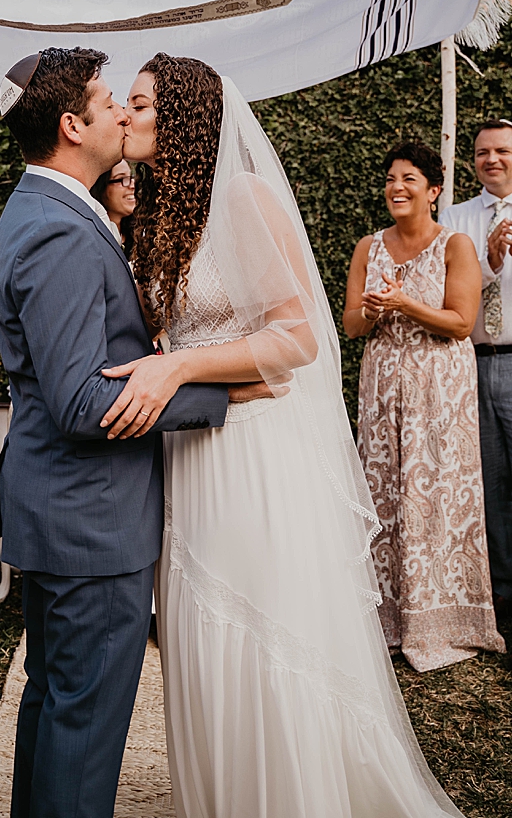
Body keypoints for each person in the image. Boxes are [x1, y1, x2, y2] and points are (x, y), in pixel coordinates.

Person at [108, 52, 465, 816]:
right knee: (200, 637)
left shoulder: (242, 195)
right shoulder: (163, 210)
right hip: (191, 450)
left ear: (184, 116)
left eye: (139, 103)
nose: (126, 115)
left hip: (252, 452)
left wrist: (176, 370)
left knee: (258, 629)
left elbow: (297, 339)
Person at [0, 48, 230, 817]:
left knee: (57, 704)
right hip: (90, 520)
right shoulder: (59, 229)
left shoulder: (55, 210)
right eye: (107, 100)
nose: (123, 110)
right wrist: (213, 389)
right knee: (83, 725)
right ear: (71, 124)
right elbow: (83, 401)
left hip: (64, 510)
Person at [343, 140, 502, 670]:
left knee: (438, 493)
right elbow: (351, 327)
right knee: (385, 490)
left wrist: (405, 301)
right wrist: (370, 309)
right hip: (384, 384)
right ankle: (388, 620)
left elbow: (460, 322)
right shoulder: (369, 247)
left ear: (433, 191)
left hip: (440, 387)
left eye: (409, 179)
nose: (397, 187)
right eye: (391, 178)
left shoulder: (455, 244)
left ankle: (447, 619)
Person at [441, 118, 512, 632]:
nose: (492, 159)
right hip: (471, 362)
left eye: (503, 150)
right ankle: (503, 596)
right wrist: (488, 262)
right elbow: (448, 288)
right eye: (483, 151)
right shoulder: (455, 217)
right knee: (488, 483)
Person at [91, 158, 137, 243]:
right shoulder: (92, 238)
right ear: (101, 187)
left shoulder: (142, 235)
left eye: (131, 177)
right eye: (122, 178)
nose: (132, 185)